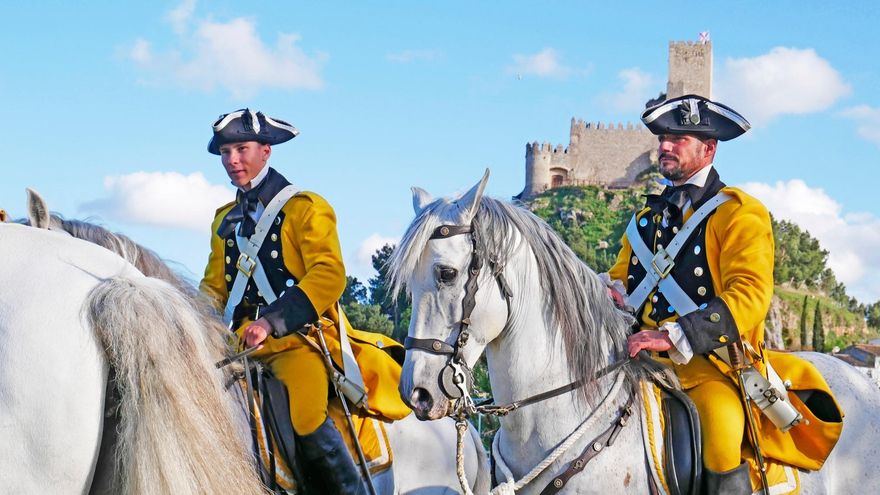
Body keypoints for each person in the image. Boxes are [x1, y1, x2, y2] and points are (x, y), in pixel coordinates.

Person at [199, 109, 410, 494]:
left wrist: (271, 322)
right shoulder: (224, 220)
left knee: (306, 413)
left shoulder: (305, 207)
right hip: (237, 344)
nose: (232, 160)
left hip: (298, 342)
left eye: (241, 149)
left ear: (266, 151)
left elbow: (329, 275)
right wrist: (192, 324)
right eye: (226, 152)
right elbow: (214, 288)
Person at [608, 94, 771, 492]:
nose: (664, 146)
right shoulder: (646, 217)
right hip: (637, 362)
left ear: (708, 149)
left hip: (709, 367)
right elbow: (620, 283)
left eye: (678, 139)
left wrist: (674, 335)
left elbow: (750, 294)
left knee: (722, 435)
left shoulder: (739, 212)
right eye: (663, 138)